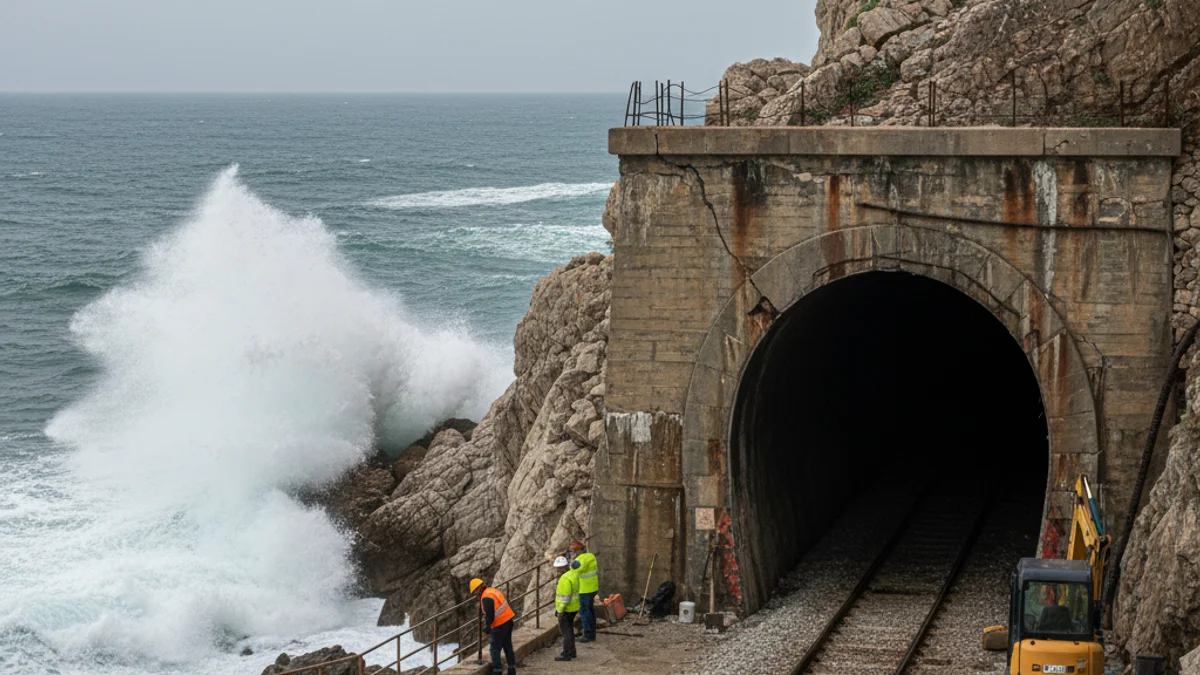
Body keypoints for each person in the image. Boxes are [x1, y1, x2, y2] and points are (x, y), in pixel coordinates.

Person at [470, 577, 517, 675]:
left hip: (499, 624)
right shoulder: (492, 591)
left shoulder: (486, 597)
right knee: (507, 646)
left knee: (494, 649)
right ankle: (511, 669)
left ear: (478, 588)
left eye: (475, 591)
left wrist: (488, 627)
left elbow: (489, 614)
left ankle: (497, 671)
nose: (475, 594)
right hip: (508, 619)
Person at [569, 541, 599, 642]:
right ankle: (592, 633)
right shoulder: (591, 556)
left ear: (577, 550)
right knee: (590, 610)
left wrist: (571, 561)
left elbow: (574, 570)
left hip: (585, 589)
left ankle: (588, 634)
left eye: (573, 551)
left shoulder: (580, 559)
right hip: (593, 587)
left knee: (584, 611)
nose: (572, 553)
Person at [553, 555, 580, 662]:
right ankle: (572, 652)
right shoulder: (573, 574)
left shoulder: (564, 579)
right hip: (574, 606)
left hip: (566, 608)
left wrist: (560, 611)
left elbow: (564, 598)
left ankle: (566, 654)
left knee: (566, 631)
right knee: (569, 629)